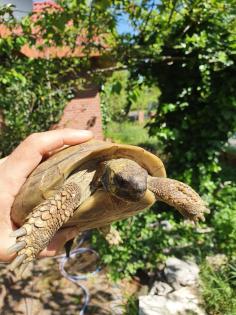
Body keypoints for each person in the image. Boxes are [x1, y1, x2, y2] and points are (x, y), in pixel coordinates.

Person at [0, 129, 93, 262]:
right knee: (72, 193)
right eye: (122, 181)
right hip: (59, 198)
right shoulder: (79, 184)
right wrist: (37, 236)